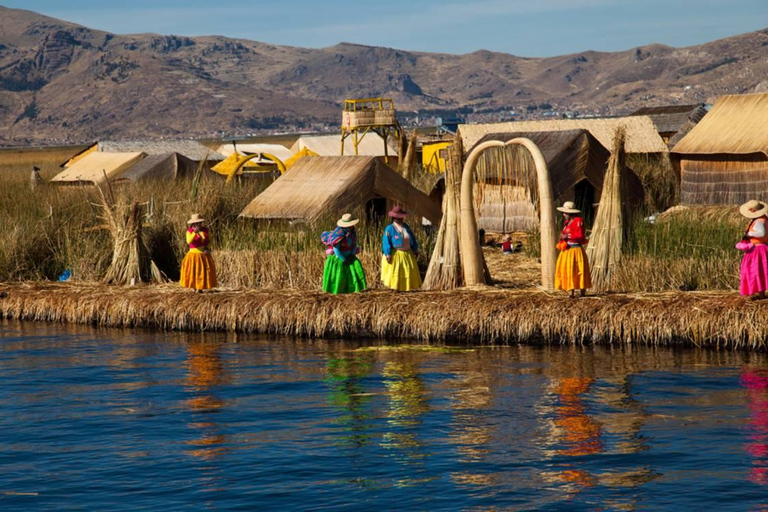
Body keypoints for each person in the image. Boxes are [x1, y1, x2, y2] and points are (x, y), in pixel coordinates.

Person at [322, 213, 367, 294]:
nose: (351, 227)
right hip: (339, 258)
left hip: (350, 256)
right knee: (339, 275)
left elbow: (354, 245)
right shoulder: (339, 234)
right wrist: (344, 259)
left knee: (355, 271)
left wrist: (352, 255)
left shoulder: (352, 233)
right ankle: (338, 291)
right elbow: (336, 250)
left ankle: (355, 289)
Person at [555, 201, 591, 298]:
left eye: (565, 212)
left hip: (576, 250)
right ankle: (571, 292)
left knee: (579, 270)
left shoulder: (578, 220)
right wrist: (561, 237)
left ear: (571, 213)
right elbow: (564, 233)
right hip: (567, 249)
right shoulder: (567, 222)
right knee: (568, 270)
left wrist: (566, 236)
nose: (564, 214)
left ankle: (582, 292)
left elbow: (580, 235)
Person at [381, 206, 421, 291]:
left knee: (408, 272)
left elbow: (412, 238)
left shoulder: (406, 227)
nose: (400, 219)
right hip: (396, 254)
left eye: (401, 217)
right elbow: (386, 242)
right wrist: (387, 254)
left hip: (407, 254)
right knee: (396, 273)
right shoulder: (390, 228)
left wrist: (415, 249)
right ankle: (395, 289)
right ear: (394, 218)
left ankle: (406, 289)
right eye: (397, 218)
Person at [738, 199, 768, 300]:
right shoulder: (763, 219)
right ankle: (761, 294)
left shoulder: (759, 221)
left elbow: (762, 233)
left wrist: (749, 234)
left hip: (758, 249)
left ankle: (761, 294)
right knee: (760, 270)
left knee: (756, 270)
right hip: (760, 248)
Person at [180, 213, 217, 293]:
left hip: (203, 254)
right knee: (193, 272)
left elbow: (210, 240)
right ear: (193, 224)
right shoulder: (189, 231)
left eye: (199, 223)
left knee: (202, 272)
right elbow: (189, 241)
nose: (198, 225)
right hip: (193, 255)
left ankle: (200, 288)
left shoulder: (206, 231)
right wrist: (194, 233)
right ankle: (194, 287)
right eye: (196, 223)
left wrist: (207, 248)